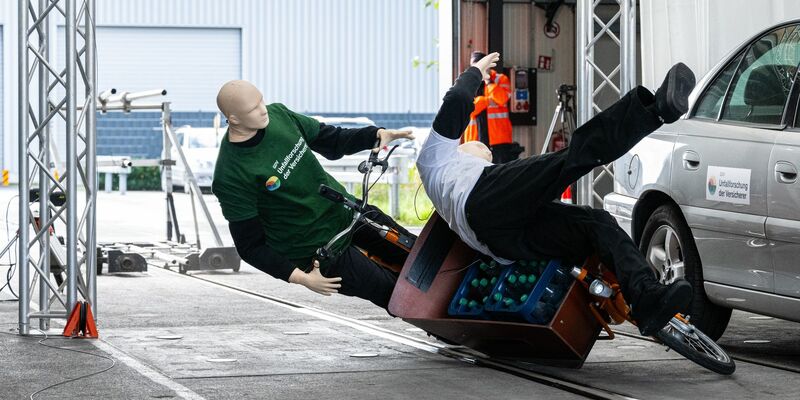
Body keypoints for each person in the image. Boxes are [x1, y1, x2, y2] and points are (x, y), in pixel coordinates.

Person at [417, 52, 697, 336]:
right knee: (568, 160)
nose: (485, 151)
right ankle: (655, 110)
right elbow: (456, 102)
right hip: (484, 200)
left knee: (595, 222)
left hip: (503, 242)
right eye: (480, 148)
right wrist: (474, 71)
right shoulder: (434, 158)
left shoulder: (448, 192)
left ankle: (646, 297)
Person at [212, 80, 415, 310]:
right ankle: (450, 333)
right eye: (252, 109)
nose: (263, 110)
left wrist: (375, 135)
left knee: (417, 256)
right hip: (320, 250)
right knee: (397, 294)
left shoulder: (279, 116)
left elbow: (331, 139)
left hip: (347, 212)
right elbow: (251, 246)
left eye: (261, 100)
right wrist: (301, 278)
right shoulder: (230, 174)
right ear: (234, 119)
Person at [463, 51, 521, 164]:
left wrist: (488, 81)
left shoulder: (501, 79)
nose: (478, 70)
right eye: (475, 67)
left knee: (501, 176)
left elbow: (502, 98)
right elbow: (469, 109)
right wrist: (487, 100)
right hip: (474, 142)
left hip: (499, 141)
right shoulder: (467, 82)